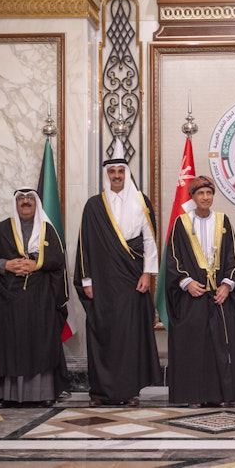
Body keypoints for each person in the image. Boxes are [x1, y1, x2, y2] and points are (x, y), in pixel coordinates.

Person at [74, 149, 161, 407]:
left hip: (133, 278)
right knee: (103, 332)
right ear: (106, 175)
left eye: (121, 171)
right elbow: (84, 245)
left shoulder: (141, 201)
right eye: (112, 171)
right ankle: (100, 392)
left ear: (127, 173)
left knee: (130, 334)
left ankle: (130, 391)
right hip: (102, 280)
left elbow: (150, 240)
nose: (116, 175)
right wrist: (86, 281)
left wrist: (147, 273)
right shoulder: (94, 205)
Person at [164, 176, 235, 408]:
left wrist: (227, 285)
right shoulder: (181, 223)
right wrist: (186, 282)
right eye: (200, 193)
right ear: (192, 196)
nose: (205, 197)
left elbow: (233, 257)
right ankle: (194, 395)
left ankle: (221, 395)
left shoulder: (223, 221)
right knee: (193, 346)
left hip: (219, 296)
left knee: (220, 345)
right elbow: (173, 258)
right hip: (193, 295)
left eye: (209, 193)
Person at [0, 188, 70, 407]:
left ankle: (42, 394)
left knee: (39, 344)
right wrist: (7, 265)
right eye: (21, 199)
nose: (25, 202)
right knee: (10, 345)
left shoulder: (47, 230)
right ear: (15, 203)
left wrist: (36, 264)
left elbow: (58, 260)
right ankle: (8, 395)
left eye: (30, 198)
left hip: (40, 299)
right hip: (8, 300)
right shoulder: (3, 228)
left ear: (36, 203)